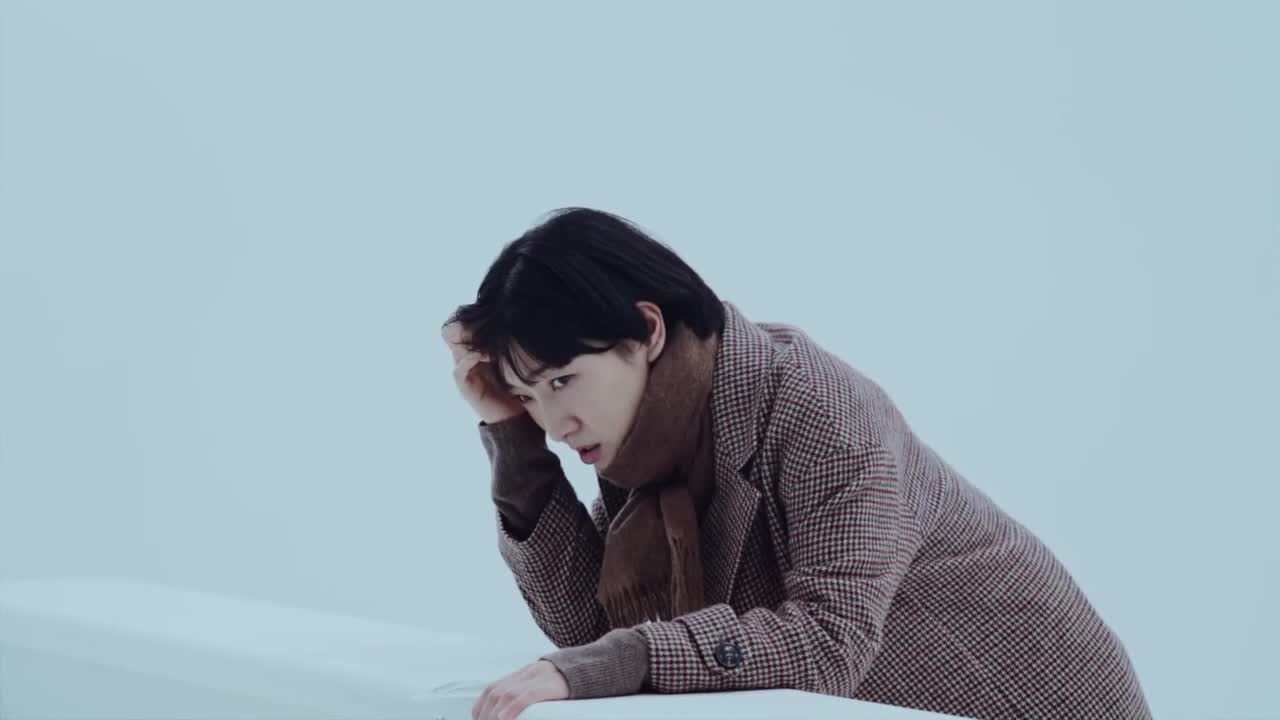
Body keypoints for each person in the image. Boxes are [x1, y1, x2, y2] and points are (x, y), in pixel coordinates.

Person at [441, 207, 1152, 720]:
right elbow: (587, 631)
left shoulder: (816, 409)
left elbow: (831, 640)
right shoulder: (651, 445)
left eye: (563, 380)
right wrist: (513, 440)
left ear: (646, 331)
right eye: (529, 396)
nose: (555, 421)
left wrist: (623, 661)